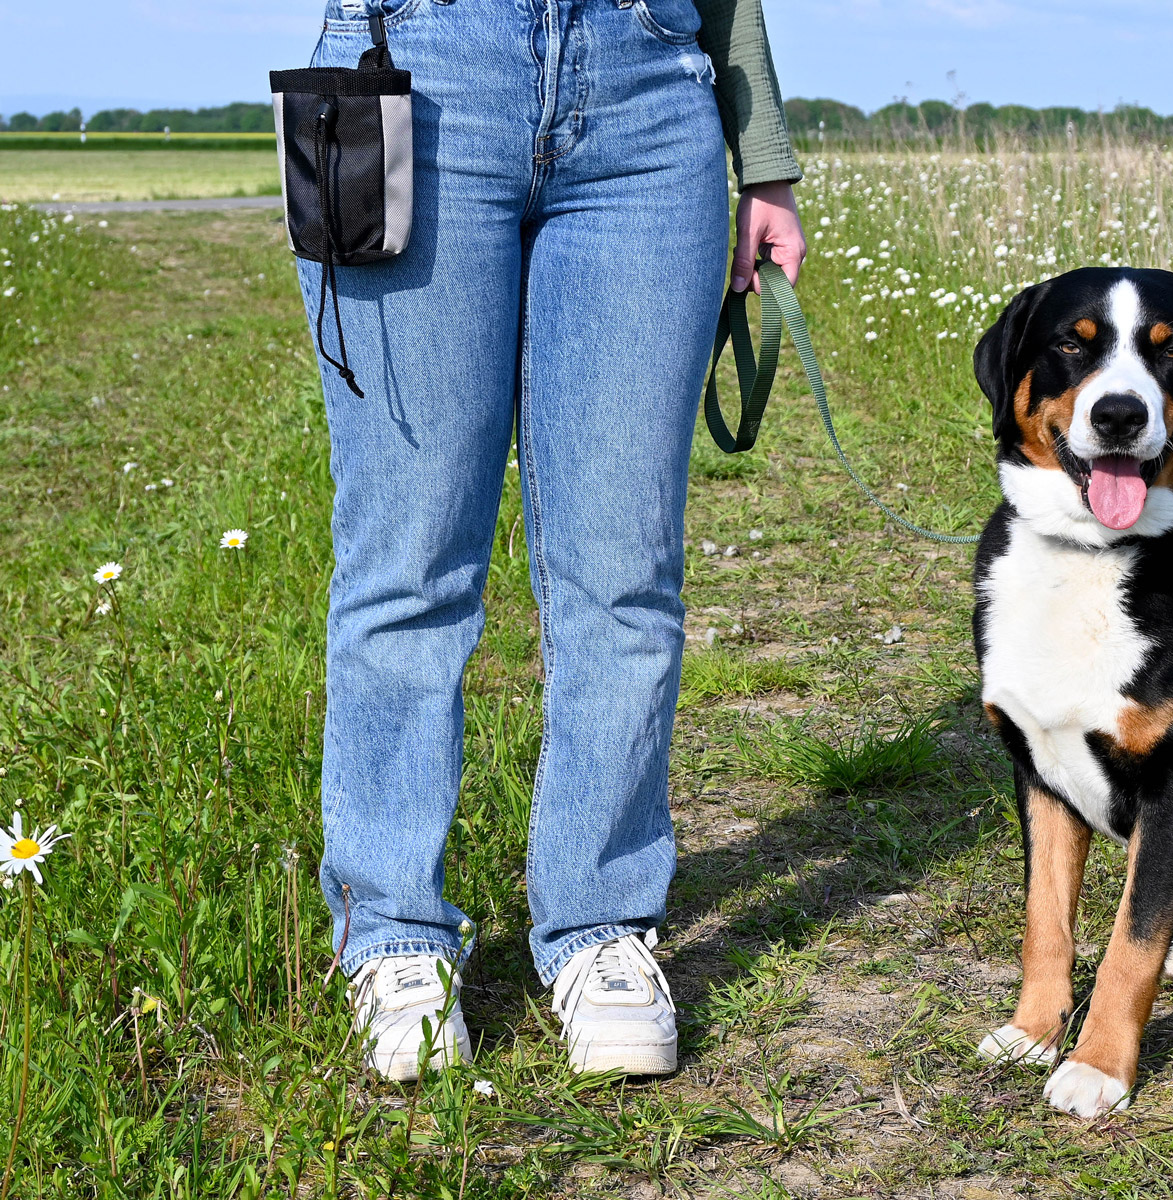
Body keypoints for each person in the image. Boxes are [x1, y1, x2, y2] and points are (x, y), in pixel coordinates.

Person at [294, 0, 806, 1081]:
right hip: (417, 62)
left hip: (651, 87)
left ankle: (600, 927)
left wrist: (763, 158)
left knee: (626, 575)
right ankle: (392, 934)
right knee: (408, 561)